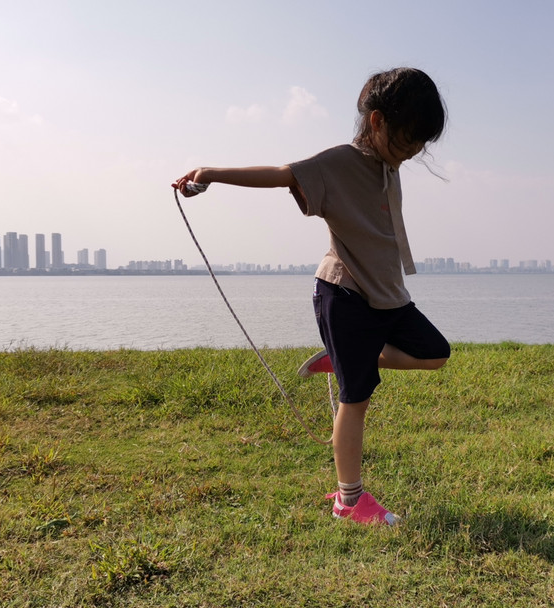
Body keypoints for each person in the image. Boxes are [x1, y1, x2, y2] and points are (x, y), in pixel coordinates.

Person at [174, 67, 451, 525]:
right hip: (345, 294)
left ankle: (340, 357)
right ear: (378, 121)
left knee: (435, 353)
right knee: (355, 398)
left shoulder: (387, 165)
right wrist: (211, 174)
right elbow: (283, 174)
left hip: (388, 294)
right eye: (407, 141)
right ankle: (349, 500)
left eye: (421, 144)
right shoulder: (339, 161)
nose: (414, 152)